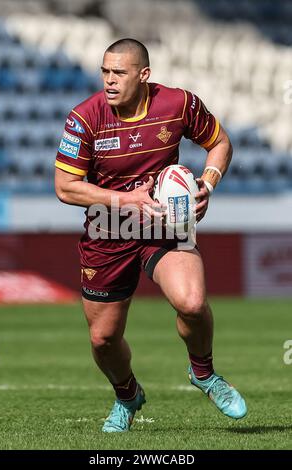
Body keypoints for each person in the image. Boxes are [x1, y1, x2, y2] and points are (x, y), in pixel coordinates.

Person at [55, 38, 247, 433]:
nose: (109, 81)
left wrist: (207, 185)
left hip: (164, 225)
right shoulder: (85, 118)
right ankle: (127, 394)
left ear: (144, 75)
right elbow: (65, 186)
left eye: (119, 73)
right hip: (108, 231)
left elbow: (220, 143)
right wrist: (126, 201)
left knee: (192, 303)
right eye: (105, 72)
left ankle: (204, 374)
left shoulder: (178, 105)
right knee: (103, 339)